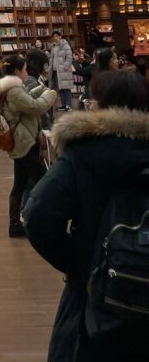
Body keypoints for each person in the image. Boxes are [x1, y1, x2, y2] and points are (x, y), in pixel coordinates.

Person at [25, 70, 149, 362]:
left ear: (100, 105)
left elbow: (39, 216)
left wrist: (79, 261)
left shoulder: (82, 153)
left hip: (92, 291)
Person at [0, 55, 58, 237]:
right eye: (24, 69)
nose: (26, 72)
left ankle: (15, 225)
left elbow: (26, 102)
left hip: (19, 142)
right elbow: (35, 107)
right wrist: (49, 95)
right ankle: (43, 221)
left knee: (20, 185)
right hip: (25, 142)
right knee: (45, 183)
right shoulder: (14, 90)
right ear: (17, 71)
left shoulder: (10, 88)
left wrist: (40, 90)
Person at [49, 30, 74, 111]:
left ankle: (68, 105)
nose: (55, 38)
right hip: (56, 70)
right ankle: (63, 104)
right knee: (60, 88)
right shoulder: (53, 46)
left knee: (66, 88)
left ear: (60, 36)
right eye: (54, 36)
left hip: (64, 70)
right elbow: (52, 58)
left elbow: (69, 57)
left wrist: (65, 67)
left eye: (56, 36)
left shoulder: (65, 45)